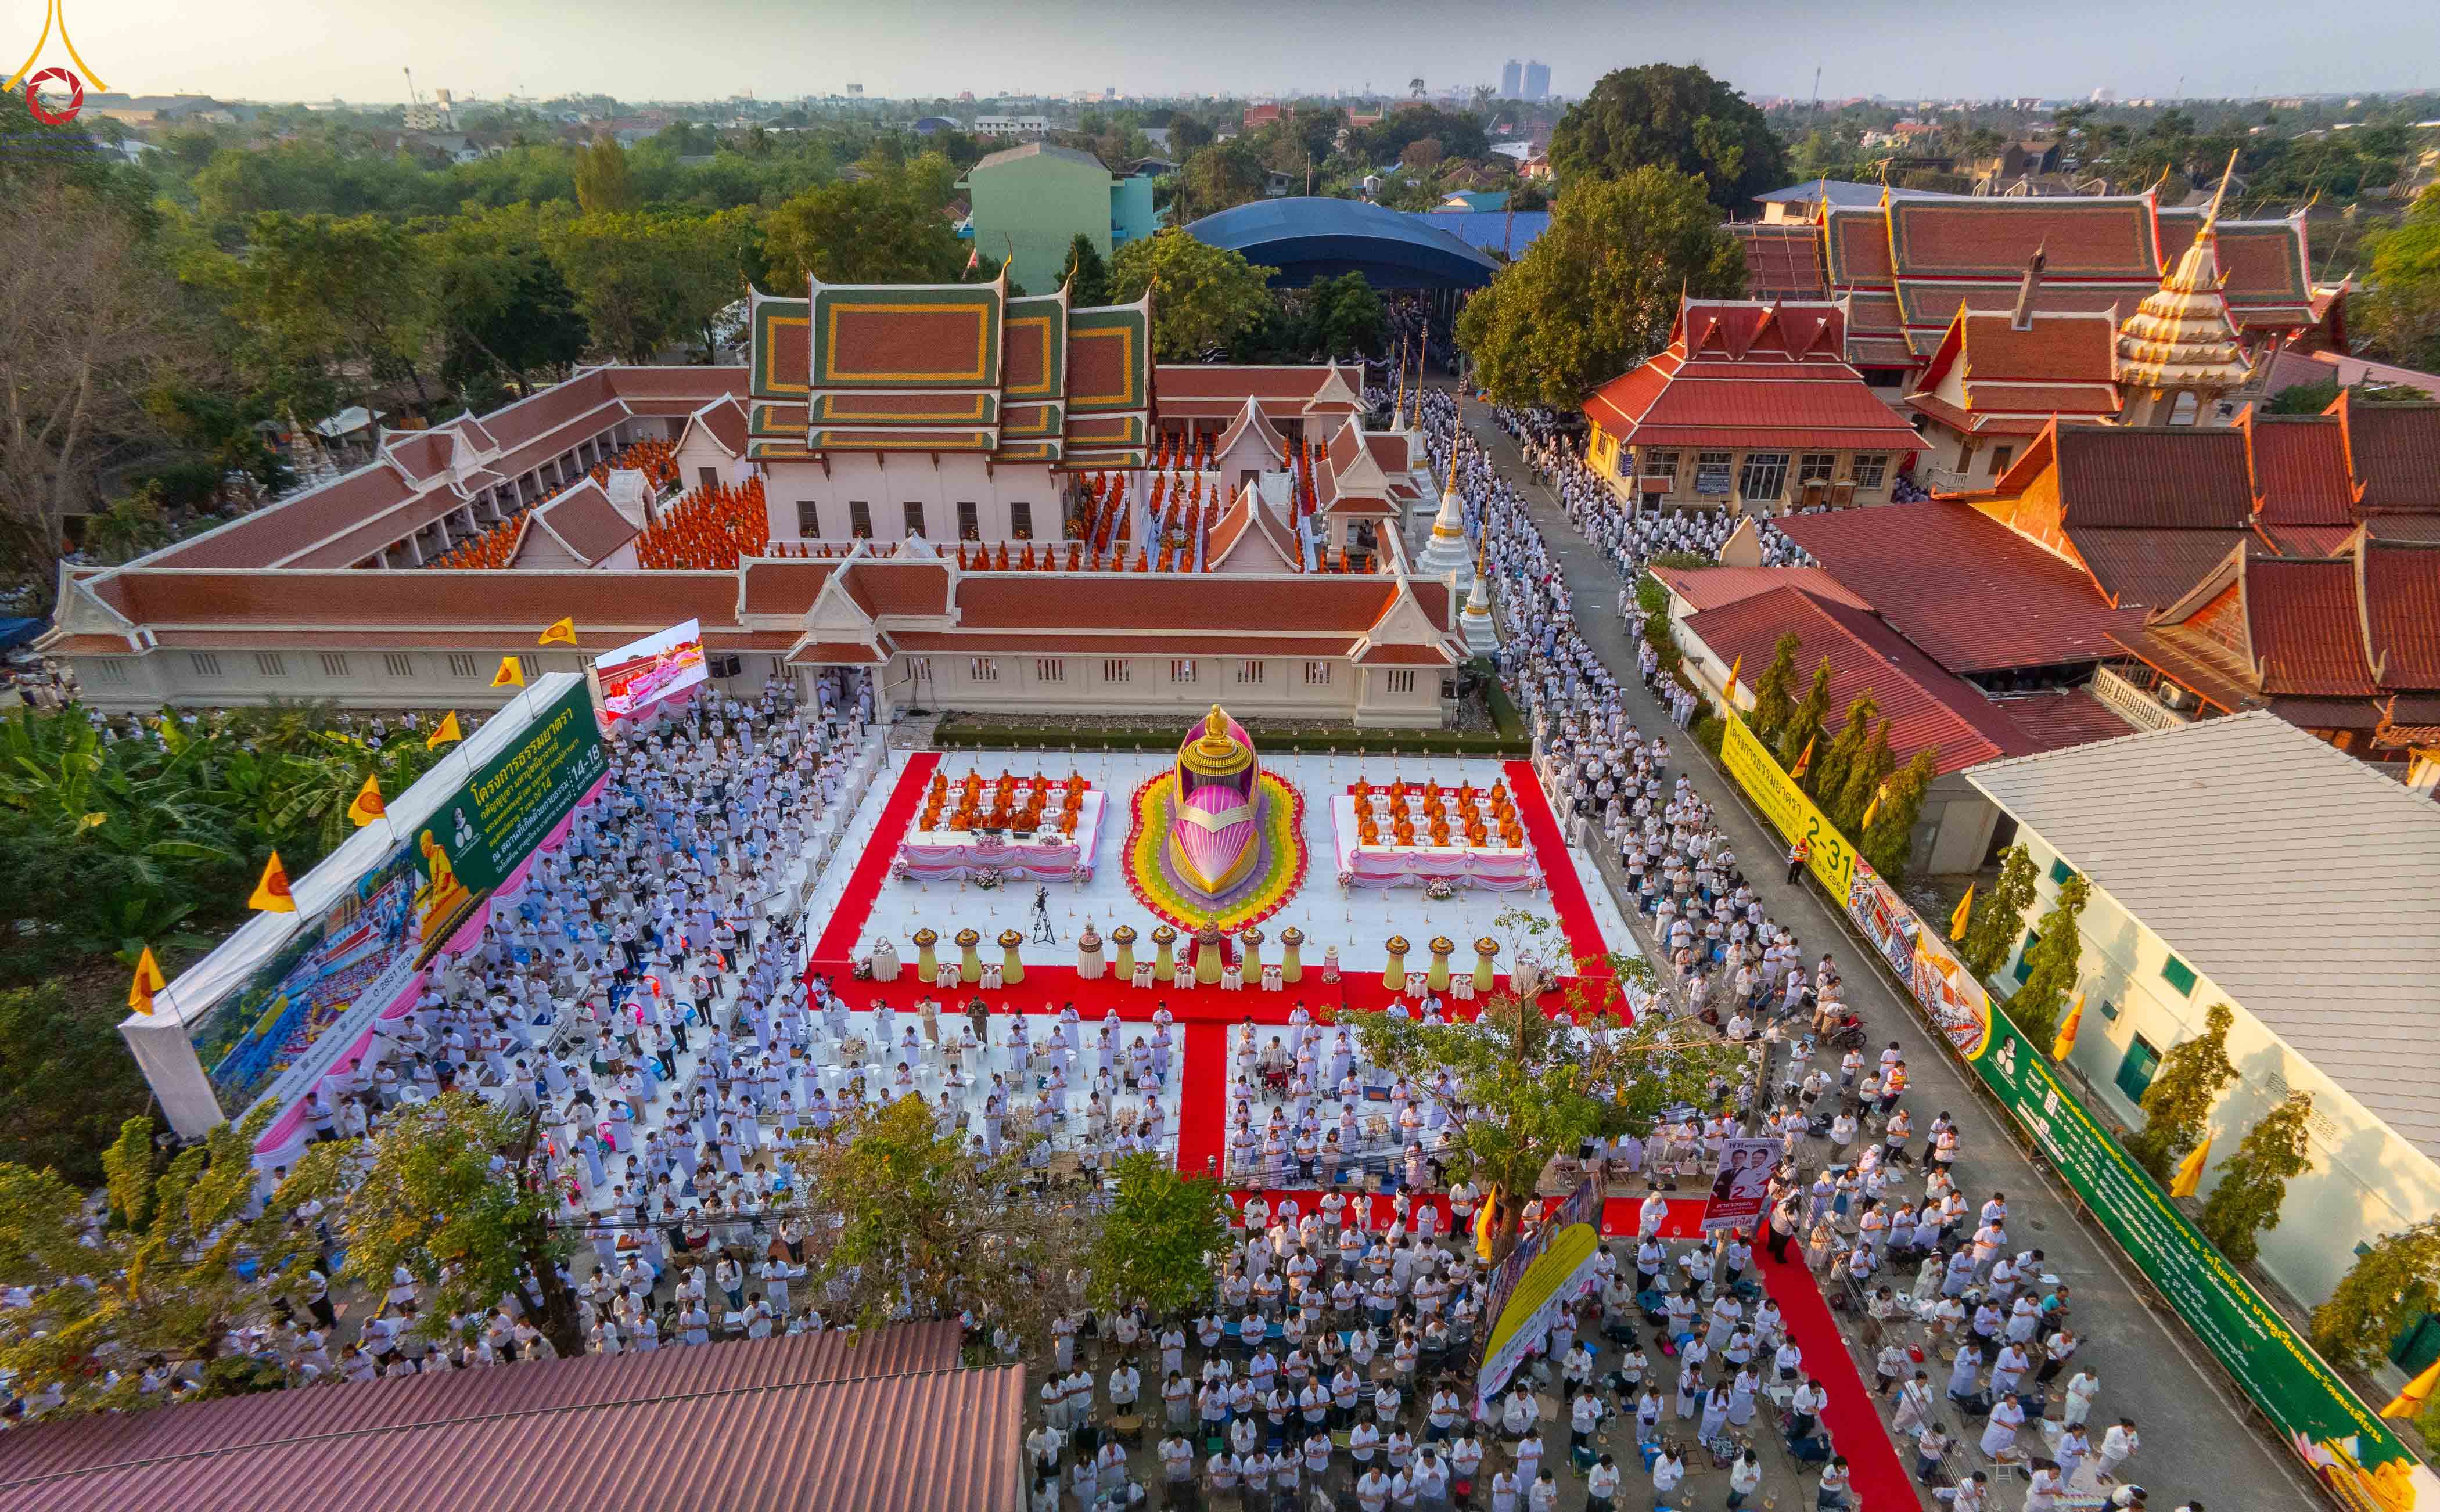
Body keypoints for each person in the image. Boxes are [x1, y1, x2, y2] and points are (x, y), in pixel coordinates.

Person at [2097, 1417, 2140, 1481]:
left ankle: (2105, 1473)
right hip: (2109, 1452)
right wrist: (2127, 1449)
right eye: (2129, 1430)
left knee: (2113, 1465)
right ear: (2123, 1427)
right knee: (2104, 1463)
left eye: (2132, 1430)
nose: (2131, 1432)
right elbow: (2112, 1445)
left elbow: (2135, 1441)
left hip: (2121, 1455)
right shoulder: (2113, 1431)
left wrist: (2134, 1447)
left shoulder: (2133, 1433)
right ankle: (2099, 1473)